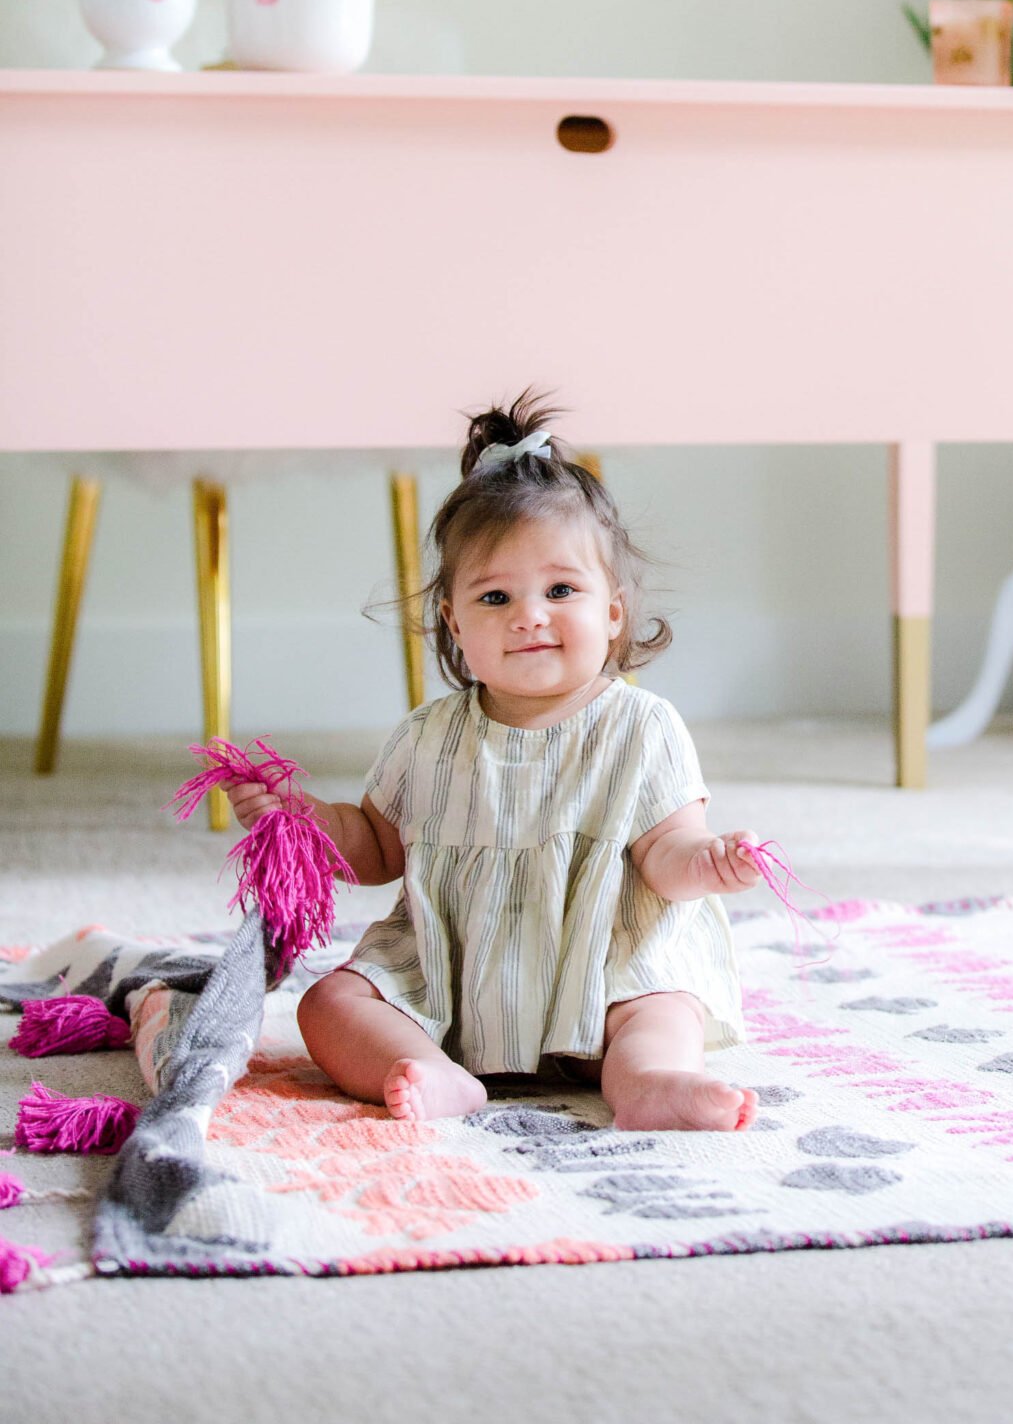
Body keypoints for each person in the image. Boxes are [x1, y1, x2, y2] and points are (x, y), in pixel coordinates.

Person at [225, 393, 761, 1134]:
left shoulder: (642, 727)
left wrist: (709, 862)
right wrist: (300, 818)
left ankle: (645, 1081)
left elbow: (666, 853)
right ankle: (429, 1073)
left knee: (664, 1004)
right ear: (451, 619)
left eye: (561, 590)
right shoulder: (428, 735)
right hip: (451, 983)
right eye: (495, 595)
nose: (529, 615)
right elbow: (376, 848)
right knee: (328, 1005)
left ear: (612, 611)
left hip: (598, 972)